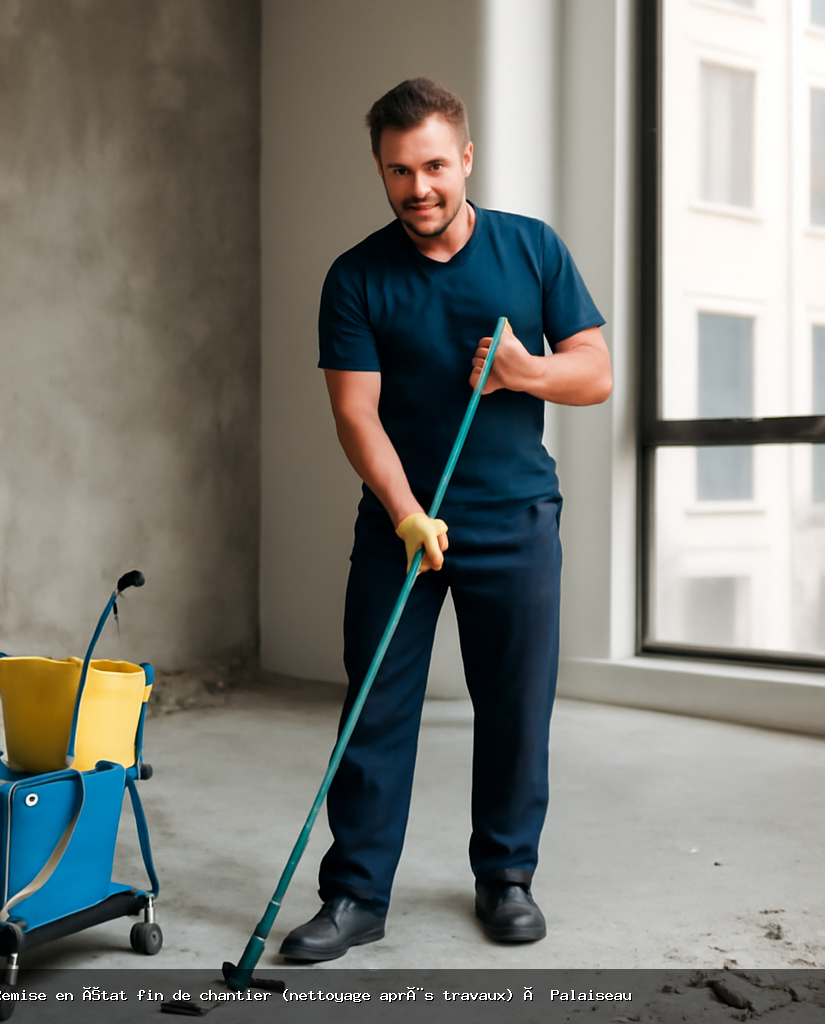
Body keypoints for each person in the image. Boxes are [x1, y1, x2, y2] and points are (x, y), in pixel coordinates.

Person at [279, 78, 612, 962]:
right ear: (381, 173)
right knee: (375, 707)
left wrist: (523, 371)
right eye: (398, 171)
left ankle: (506, 879)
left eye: (433, 165)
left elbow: (596, 373)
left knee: (514, 707)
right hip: (402, 524)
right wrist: (406, 514)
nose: (418, 187)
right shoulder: (356, 277)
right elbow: (356, 415)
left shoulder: (532, 250)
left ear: (465, 157)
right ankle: (356, 895)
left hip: (516, 520)